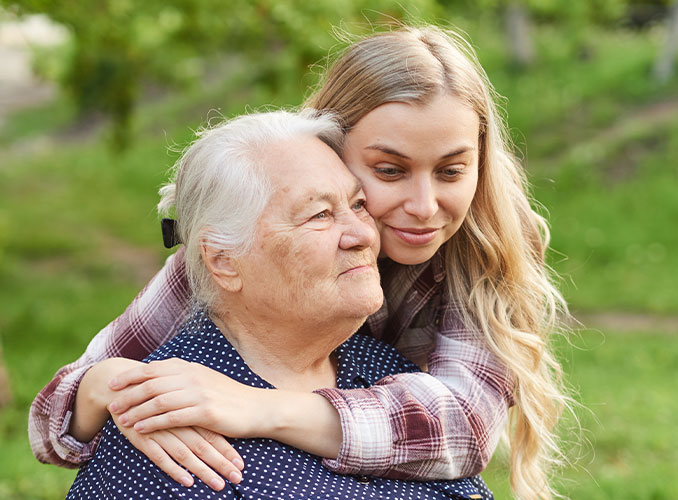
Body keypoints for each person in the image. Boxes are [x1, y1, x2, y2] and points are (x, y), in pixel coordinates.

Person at [31, 26, 570, 500]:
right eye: (388, 171)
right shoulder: (241, 248)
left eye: (451, 172)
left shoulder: (485, 243)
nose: (425, 205)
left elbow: (465, 427)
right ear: (328, 151)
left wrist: (260, 406)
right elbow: (49, 426)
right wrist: (117, 387)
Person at [66, 109, 493, 499]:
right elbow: (54, 417)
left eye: (358, 204)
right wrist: (107, 384)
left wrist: (264, 408)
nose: (363, 234)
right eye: (319, 215)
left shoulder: (383, 368)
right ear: (223, 261)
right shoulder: (171, 437)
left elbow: (468, 431)